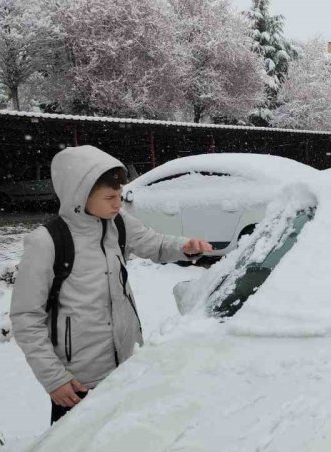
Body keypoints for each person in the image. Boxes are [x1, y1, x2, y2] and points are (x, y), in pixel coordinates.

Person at [11, 146, 212, 424]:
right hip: (79, 380)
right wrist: (54, 378)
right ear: (80, 196)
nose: (118, 204)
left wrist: (184, 247)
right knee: (77, 446)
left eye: (119, 195)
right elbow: (25, 317)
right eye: (109, 198)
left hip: (127, 367)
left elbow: (153, 243)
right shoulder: (47, 242)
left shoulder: (118, 223)